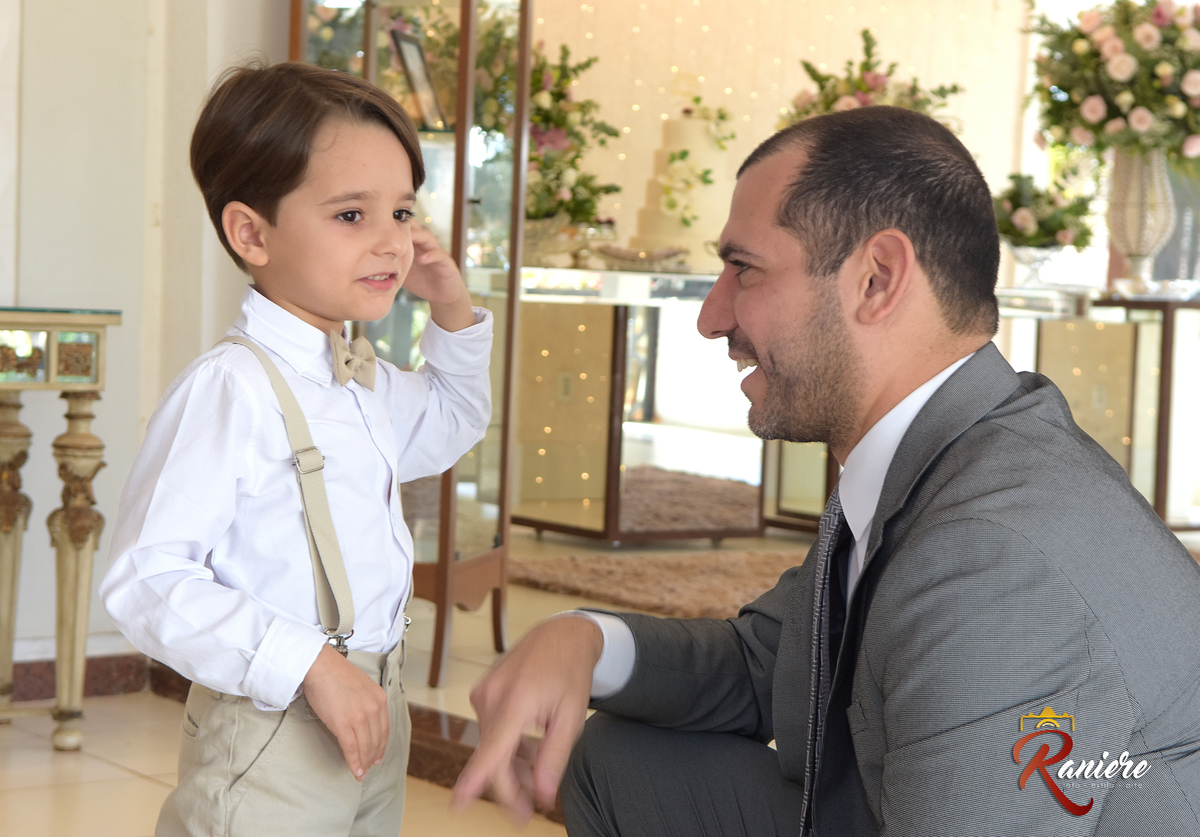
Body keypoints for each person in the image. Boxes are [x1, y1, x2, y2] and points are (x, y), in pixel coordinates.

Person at [451, 106, 1200, 836]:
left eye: (743, 268)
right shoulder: (943, 450)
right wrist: (580, 637)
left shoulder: (990, 557)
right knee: (622, 760)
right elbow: (771, 664)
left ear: (876, 279)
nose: (712, 316)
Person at [101, 61, 492, 836]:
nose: (393, 242)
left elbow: (451, 420)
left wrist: (452, 307)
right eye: (352, 216)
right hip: (272, 723)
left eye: (404, 212)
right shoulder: (231, 389)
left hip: (376, 709)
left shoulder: (361, 380)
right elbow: (145, 578)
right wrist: (308, 663)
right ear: (252, 232)